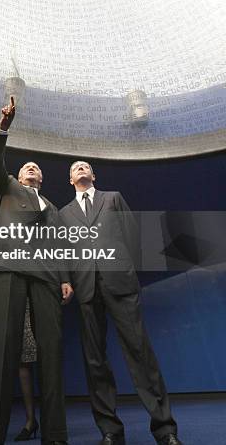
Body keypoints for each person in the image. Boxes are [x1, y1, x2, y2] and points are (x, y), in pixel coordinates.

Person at [59, 161, 182, 445]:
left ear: (93, 175)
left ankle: (165, 430)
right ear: (70, 179)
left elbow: (133, 235)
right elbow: (63, 252)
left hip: (121, 284)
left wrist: (128, 268)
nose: (80, 168)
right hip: (87, 289)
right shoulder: (64, 213)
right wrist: (66, 280)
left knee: (140, 352)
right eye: (76, 167)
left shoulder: (112, 198)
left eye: (86, 166)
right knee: (95, 361)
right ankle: (110, 431)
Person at [0, 96, 73, 445]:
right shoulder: (6, 186)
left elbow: (59, 244)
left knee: (51, 352)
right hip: (9, 269)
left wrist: (66, 279)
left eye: (37, 168)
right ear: (18, 176)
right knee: (5, 347)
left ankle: (55, 435)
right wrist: (3, 127)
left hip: (47, 277)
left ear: (42, 177)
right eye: (27, 167)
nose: (32, 169)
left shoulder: (52, 206)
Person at [14, 300, 38, 442]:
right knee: (24, 359)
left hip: (42, 289)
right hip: (16, 292)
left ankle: (53, 426)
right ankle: (30, 420)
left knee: (48, 359)